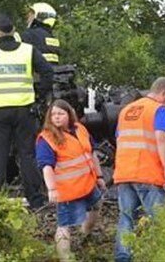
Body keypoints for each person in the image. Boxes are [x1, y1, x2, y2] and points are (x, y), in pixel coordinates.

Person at [0, 13, 54, 209]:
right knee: (27, 154)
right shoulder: (28, 51)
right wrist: (39, 96)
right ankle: (35, 200)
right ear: (14, 31)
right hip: (24, 111)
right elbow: (48, 73)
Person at [113, 77, 165, 262]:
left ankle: (123, 257)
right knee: (161, 219)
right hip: (147, 173)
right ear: (163, 93)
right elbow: (162, 139)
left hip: (124, 173)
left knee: (126, 218)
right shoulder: (158, 109)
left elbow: (119, 139)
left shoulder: (126, 110)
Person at [37, 100, 106, 262]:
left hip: (88, 184)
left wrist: (100, 176)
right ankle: (65, 258)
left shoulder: (80, 129)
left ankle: (85, 235)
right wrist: (52, 189)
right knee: (64, 225)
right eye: (53, 114)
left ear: (69, 114)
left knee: (97, 206)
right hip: (68, 190)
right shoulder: (47, 139)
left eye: (60, 113)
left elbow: (92, 154)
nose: (57, 117)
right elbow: (46, 167)